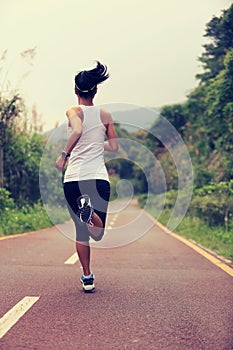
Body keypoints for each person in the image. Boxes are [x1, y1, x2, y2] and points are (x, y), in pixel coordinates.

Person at [55, 61, 118, 292]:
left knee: (82, 231)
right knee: (97, 232)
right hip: (98, 178)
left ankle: (87, 276)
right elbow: (114, 146)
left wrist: (64, 154)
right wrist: (96, 143)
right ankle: (89, 211)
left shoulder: (73, 111)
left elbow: (78, 130)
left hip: (73, 179)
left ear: (75, 91)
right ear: (96, 90)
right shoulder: (105, 114)